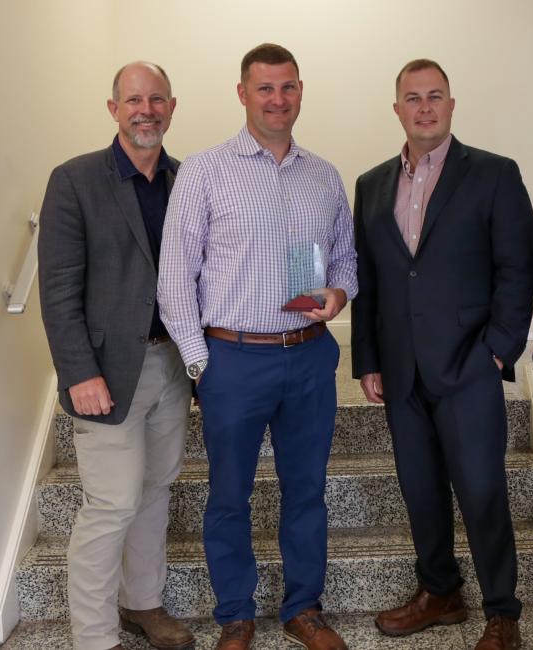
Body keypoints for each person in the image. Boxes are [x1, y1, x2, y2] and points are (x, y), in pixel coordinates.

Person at [157, 43, 357, 650]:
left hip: (308, 352)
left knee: (307, 488)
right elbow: (174, 279)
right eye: (265, 88)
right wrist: (199, 364)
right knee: (228, 495)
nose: (278, 99)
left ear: (301, 92)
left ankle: (303, 607)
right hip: (232, 360)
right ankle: (236, 614)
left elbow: (346, 258)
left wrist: (338, 294)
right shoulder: (203, 170)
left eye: (288, 87)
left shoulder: (324, 176)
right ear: (242, 94)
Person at [351, 59, 533, 650]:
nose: (425, 107)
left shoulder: (493, 174)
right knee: (420, 488)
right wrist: (367, 358)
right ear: (398, 109)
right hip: (401, 369)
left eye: (435, 96)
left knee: (482, 490)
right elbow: (371, 278)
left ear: (452, 105)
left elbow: (518, 267)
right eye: (413, 98)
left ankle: (501, 611)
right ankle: (440, 592)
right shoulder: (372, 184)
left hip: (468, 364)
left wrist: (498, 351)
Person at [38, 62, 194, 650]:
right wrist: (78, 372)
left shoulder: (187, 179)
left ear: (172, 107)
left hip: (172, 367)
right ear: (113, 109)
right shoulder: (74, 180)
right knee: (110, 504)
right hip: (105, 374)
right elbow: (57, 289)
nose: (145, 110)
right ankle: (95, 636)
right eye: (133, 100)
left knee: (156, 490)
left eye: (156, 99)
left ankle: (143, 603)